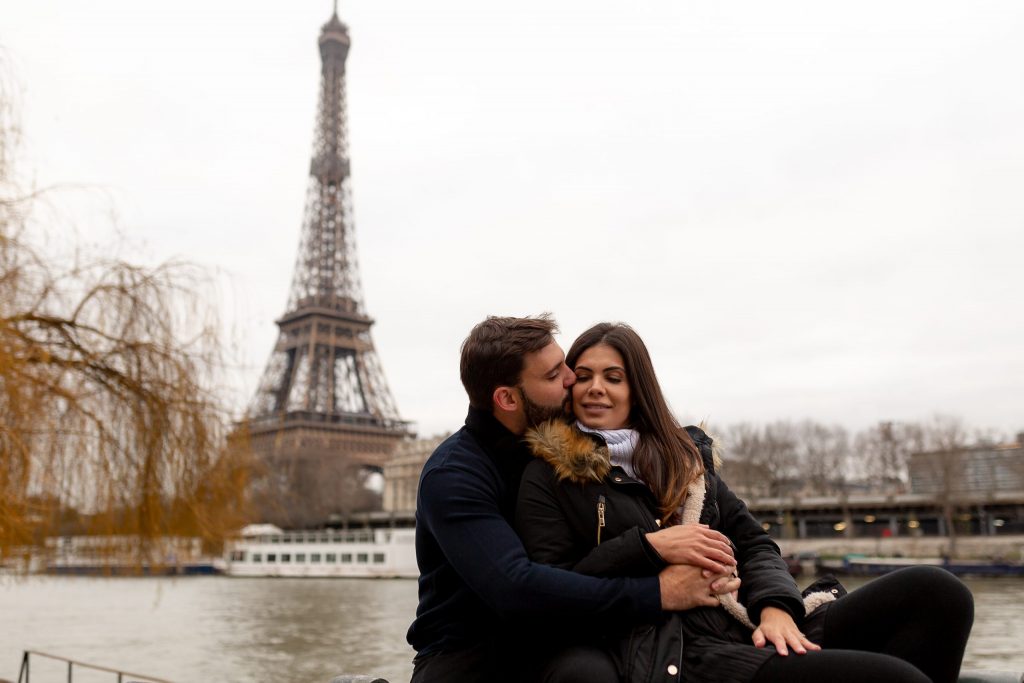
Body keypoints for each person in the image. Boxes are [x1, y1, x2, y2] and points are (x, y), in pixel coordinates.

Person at [516, 322, 975, 683]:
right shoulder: (547, 476)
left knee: (937, 591)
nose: (596, 387)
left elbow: (755, 544)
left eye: (613, 378)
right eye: (584, 377)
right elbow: (556, 586)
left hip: (746, 621)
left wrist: (776, 607)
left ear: (638, 390)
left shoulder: (685, 462)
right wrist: (650, 548)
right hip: (680, 647)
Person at [407, 315, 741, 683]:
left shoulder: (566, 449)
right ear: (507, 398)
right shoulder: (454, 475)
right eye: (554, 375)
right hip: (471, 658)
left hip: (561, 639)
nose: (572, 379)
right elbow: (516, 588)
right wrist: (659, 591)